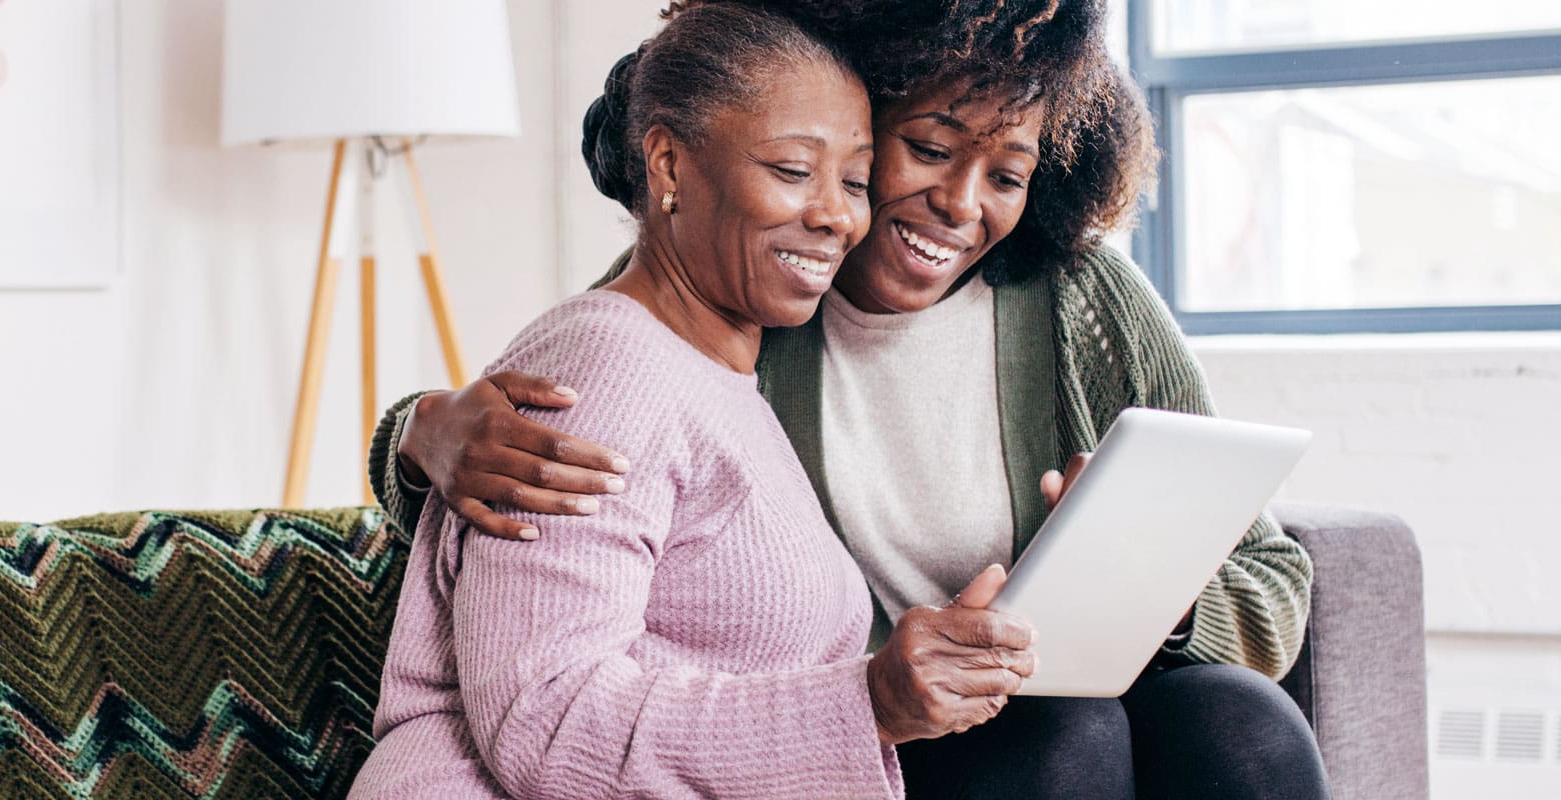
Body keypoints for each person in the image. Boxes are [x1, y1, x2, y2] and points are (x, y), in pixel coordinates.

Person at [366, 1, 1330, 798]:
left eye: (1007, 175)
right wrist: (418, 431)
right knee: (1064, 742)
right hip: (865, 723)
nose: (960, 203)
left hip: (1021, 696)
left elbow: (1274, 580)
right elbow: (589, 387)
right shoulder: (751, 286)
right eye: (926, 147)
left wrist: (1138, 586)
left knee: (1242, 726)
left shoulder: (1085, 305)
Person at [352, 4, 1039, 797]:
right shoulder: (603, 370)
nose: (836, 215)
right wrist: (870, 703)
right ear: (670, 167)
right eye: (792, 171)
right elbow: (549, 719)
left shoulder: (717, 376)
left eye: (853, 180)